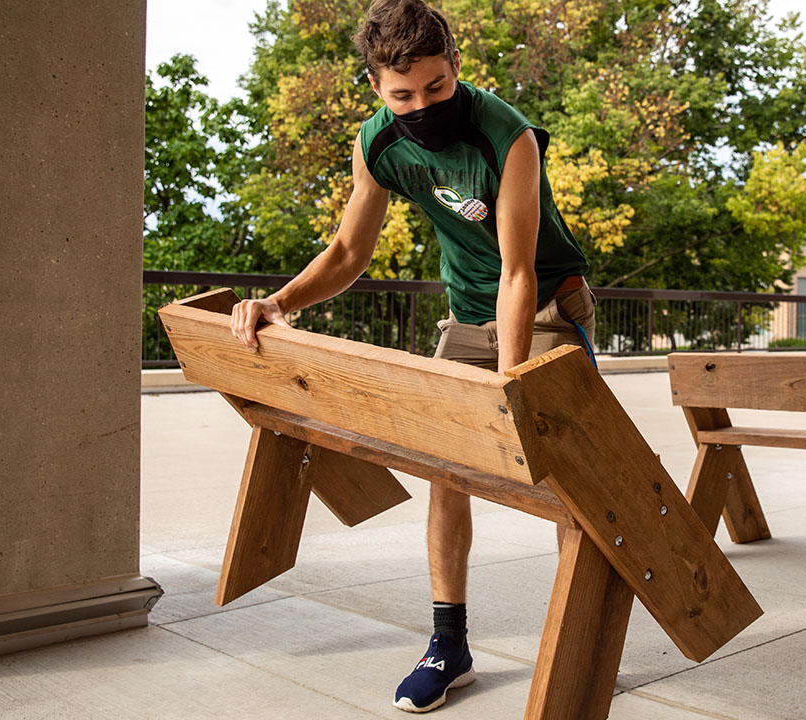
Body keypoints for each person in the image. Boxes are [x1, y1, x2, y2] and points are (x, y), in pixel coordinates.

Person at [228, 0, 594, 712]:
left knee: (567, 484)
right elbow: (348, 252)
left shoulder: (507, 136)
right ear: (376, 88)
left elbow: (519, 273)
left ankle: (577, 639)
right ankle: (447, 646)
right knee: (447, 473)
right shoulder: (378, 144)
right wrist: (280, 302)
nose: (421, 105)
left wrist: (508, 384)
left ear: (455, 68)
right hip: (467, 313)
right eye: (403, 95)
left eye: (435, 87)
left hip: (546, 306)